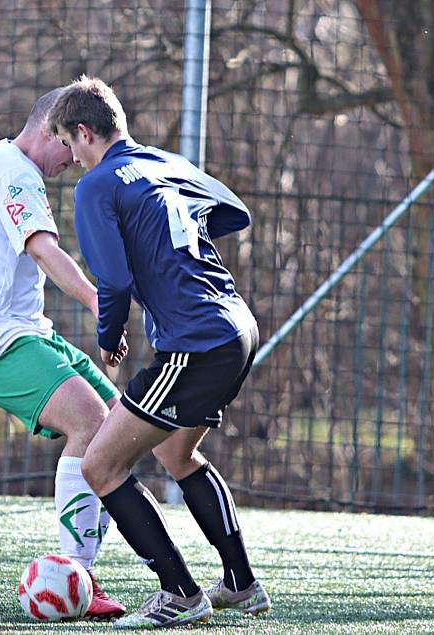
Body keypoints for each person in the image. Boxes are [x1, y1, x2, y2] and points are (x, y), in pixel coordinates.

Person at [46, 76, 271, 629]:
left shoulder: (97, 185)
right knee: (174, 453)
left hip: (196, 343)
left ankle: (180, 594)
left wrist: (107, 336)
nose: (71, 160)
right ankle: (241, 584)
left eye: (69, 145)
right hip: (238, 327)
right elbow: (232, 211)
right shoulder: (163, 162)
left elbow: (113, 278)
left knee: (100, 464)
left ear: (84, 132)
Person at [0, 88, 127, 619]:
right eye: (68, 144)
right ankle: (75, 572)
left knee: (122, 425)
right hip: (1, 345)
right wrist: (96, 301)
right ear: (50, 130)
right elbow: (44, 249)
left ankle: (87, 565)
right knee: (90, 422)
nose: (73, 159)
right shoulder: (17, 171)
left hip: (17, 333)